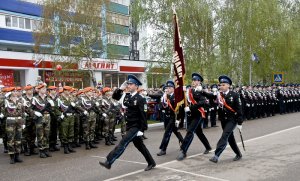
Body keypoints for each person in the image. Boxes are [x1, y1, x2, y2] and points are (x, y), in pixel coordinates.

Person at [99, 74, 156, 171]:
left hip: (136, 126)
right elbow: (115, 97)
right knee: (140, 146)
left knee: (123, 143)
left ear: (136, 86)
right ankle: (151, 162)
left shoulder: (140, 99)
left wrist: (142, 129)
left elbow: (143, 115)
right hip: (129, 125)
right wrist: (120, 89)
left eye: (130, 84)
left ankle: (109, 161)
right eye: (128, 84)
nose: (128, 85)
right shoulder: (127, 96)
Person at [177, 73, 213, 161]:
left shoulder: (201, 91)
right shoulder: (189, 90)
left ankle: (183, 151)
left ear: (199, 82)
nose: (193, 82)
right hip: (190, 115)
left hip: (198, 114)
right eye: (193, 80)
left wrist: (190, 107)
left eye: (195, 80)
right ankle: (208, 147)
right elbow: (184, 102)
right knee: (199, 133)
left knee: (190, 131)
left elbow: (202, 102)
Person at [209, 75, 243, 163]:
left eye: (223, 84)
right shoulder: (218, 95)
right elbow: (210, 99)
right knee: (230, 138)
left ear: (228, 85)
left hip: (232, 120)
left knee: (224, 136)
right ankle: (238, 154)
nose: (221, 86)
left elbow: (239, 109)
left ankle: (216, 155)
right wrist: (202, 91)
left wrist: (240, 122)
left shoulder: (234, 95)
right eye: (220, 85)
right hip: (223, 120)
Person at [157, 80, 183, 156]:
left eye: (169, 88)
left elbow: (180, 109)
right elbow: (164, 106)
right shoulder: (167, 96)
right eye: (167, 87)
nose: (167, 89)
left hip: (174, 117)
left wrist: (178, 119)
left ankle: (163, 149)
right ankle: (184, 144)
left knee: (167, 133)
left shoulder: (176, 96)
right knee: (176, 132)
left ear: (173, 88)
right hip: (168, 117)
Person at [2, 87, 25, 164]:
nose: (15, 92)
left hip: (19, 121)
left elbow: (23, 112)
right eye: (14, 91)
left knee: (18, 139)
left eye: (16, 91)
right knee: (10, 140)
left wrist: (23, 123)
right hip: (10, 121)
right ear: (11, 92)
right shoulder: (6, 101)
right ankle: (12, 156)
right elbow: (3, 110)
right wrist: (5, 96)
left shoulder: (20, 100)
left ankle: (17, 156)